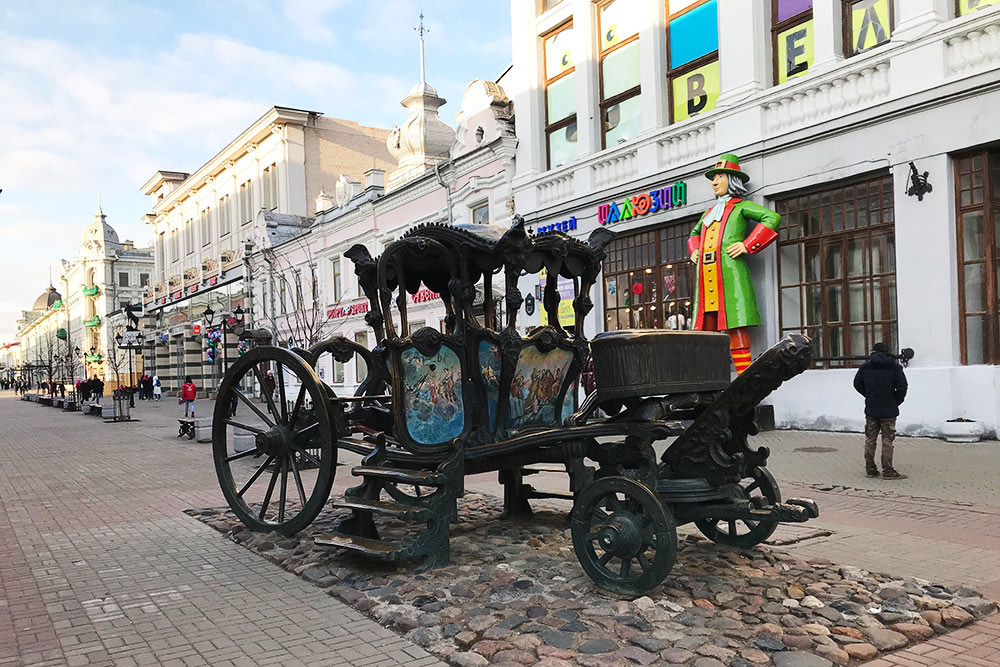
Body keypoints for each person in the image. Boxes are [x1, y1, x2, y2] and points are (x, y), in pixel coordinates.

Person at [688, 154, 781, 374]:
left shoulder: (741, 207)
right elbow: (693, 234)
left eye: (719, 176)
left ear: (732, 179)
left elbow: (771, 218)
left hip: (730, 276)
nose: (714, 182)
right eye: (714, 177)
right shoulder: (709, 213)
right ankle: (709, 378)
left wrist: (748, 245)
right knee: (706, 332)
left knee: (735, 325)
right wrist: (695, 251)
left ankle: (743, 379)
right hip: (705, 278)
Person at [853, 342, 908, 480]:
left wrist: (869, 395)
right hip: (889, 410)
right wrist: (896, 401)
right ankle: (888, 471)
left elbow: (857, 384)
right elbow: (902, 387)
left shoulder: (866, 366)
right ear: (888, 351)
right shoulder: (895, 367)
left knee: (870, 439)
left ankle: (870, 469)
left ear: (874, 351)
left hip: (871, 409)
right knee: (887, 440)